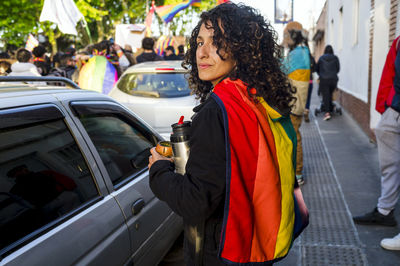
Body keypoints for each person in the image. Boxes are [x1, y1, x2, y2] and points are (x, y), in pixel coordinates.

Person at [148, 3, 308, 265]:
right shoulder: (258, 98)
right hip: (257, 241)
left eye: (218, 42)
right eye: (199, 42)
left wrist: (159, 169)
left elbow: (195, 201)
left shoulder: (218, 111)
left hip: (221, 251)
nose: (203, 52)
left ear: (242, 49)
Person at [353, 36, 400, 251]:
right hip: (394, 111)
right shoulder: (399, 42)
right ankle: (385, 211)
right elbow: (389, 72)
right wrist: (384, 106)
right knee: (389, 164)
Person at [282, 21, 311, 185]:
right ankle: (297, 172)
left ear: (293, 35)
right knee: (294, 136)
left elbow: (281, 69)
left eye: (286, 35)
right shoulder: (304, 50)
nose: (285, 39)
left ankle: (298, 173)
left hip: (294, 103)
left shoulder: (297, 53)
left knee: (294, 137)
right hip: (297, 102)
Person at [315, 45, 340, 121]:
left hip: (324, 80)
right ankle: (331, 108)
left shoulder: (321, 58)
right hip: (333, 80)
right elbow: (338, 69)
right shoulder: (335, 58)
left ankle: (327, 113)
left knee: (326, 95)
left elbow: (317, 68)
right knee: (329, 94)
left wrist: (321, 74)